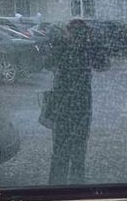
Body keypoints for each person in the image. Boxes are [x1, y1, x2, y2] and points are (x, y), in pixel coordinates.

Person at [43, 19, 109, 186]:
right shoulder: (85, 49)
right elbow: (103, 65)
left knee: (60, 148)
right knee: (78, 148)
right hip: (80, 105)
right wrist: (94, 43)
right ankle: (76, 184)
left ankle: (57, 185)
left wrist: (57, 43)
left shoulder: (66, 48)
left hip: (63, 104)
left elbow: (47, 63)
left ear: (69, 33)